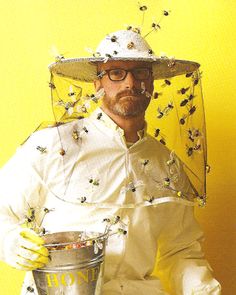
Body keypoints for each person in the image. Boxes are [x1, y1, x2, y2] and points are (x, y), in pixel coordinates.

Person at [0, 29, 221, 295]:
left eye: (140, 72)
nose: (130, 83)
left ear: (151, 82)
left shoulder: (168, 166)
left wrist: (204, 291)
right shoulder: (53, 145)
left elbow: (181, 251)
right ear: (98, 83)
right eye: (116, 72)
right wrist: (9, 241)